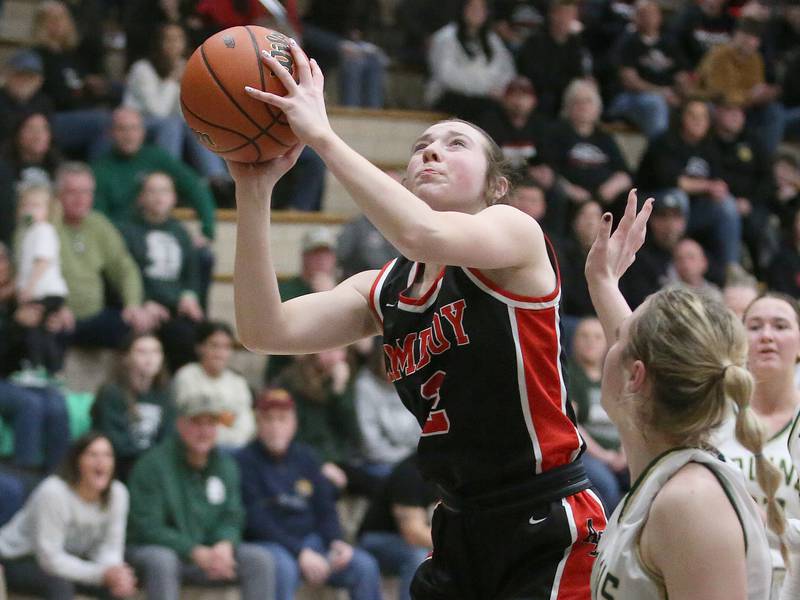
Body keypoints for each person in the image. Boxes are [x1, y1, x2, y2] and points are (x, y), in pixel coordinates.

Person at [234, 40, 605, 599]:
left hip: (546, 515)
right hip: (459, 522)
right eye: (420, 146)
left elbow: (420, 232)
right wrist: (253, 191)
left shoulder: (514, 233)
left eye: (455, 144)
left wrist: (324, 137)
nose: (431, 152)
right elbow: (264, 330)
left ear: (496, 186)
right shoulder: (385, 288)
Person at [585, 191, 773, 599]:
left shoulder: (691, 503)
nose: (609, 340)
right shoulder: (665, 475)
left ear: (636, 378)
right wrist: (602, 281)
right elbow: (644, 350)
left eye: (618, 338)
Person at [125, 393, 276, 600]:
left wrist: (224, 544)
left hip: (210, 554)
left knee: (260, 559)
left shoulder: (226, 465)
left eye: (211, 423)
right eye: (197, 423)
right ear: (180, 424)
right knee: (162, 560)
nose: (204, 431)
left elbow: (233, 515)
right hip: (160, 552)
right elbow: (147, 526)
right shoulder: (152, 465)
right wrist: (193, 551)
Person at [236, 388, 382, 600]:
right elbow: (256, 520)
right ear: (258, 423)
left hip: (313, 542)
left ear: (294, 423)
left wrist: (335, 541)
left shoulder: (307, 457)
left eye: (282, 419)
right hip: (273, 545)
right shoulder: (244, 461)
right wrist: (300, 552)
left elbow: (326, 507)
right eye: (268, 419)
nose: (275, 427)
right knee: (282, 569)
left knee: (364, 565)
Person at [714, 293, 800, 598]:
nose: (766, 336)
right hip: (725, 579)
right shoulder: (712, 414)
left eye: (780, 326)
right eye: (755, 326)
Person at [0, 432, 137, 599]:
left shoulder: (118, 493)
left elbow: (111, 547)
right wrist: (100, 574)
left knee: (119, 587)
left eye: (107, 455)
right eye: (93, 455)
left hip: (71, 558)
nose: (101, 461)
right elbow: (49, 558)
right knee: (59, 583)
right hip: (21, 558)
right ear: (77, 461)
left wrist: (115, 574)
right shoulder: (53, 492)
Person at [50, 162, 154, 349]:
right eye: (72, 192)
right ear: (58, 195)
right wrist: (55, 307)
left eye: (86, 192)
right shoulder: (48, 226)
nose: (80, 198)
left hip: (94, 317)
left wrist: (133, 303)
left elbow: (124, 267)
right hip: (57, 314)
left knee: (133, 325)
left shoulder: (99, 224)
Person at [118, 171, 204, 371]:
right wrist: (143, 302)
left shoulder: (180, 232)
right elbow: (125, 274)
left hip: (175, 307)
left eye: (164, 191)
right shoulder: (127, 231)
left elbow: (191, 272)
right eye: (152, 191)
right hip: (145, 305)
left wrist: (190, 295)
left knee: (193, 334)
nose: (159, 197)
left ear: (173, 197)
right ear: (141, 197)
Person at [123, 23, 227, 179]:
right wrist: (173, 80)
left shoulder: (188, 66)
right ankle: (167, 178)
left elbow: (187, 111)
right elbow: (158, 111)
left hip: (173, 123)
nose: (174, 44)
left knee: (196, 124)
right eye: (168, 39)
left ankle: (217, 180)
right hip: (138, 123)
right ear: (159, 43)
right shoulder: (143, 69)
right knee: (172, 124)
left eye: (178, 39)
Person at [91, 333, 176, 481]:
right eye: (142, 352)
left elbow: (169, 439)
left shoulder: (166, 395)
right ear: (126, 357)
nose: (150, 358)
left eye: (156, 352)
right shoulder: (111, 393)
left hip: (155, 467)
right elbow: (114, 442)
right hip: (120, 467)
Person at [358, 451, 438, 600]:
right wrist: (456, 545)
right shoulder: (410, 473)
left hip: (415, 540)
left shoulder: (454, 473)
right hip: (378, 539)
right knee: (420, 557)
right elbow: (413, 533)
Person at [607, 0, 690, 138]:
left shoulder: (669, 44)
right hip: (628, 99)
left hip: (665, 96)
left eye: (653, 13)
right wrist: (662, 93)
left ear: (660, 17)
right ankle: (659, 153)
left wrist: (684, 95)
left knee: (698, 107)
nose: (649, 18)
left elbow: (681, 76)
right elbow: (630, 82)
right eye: (643, 14)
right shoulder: (627, 42)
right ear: (635, 17)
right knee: (655, 103)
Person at [567, 317, 626, 512]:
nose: (590, 341)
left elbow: (629, 420)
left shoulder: (616, 377)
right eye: (584, 336)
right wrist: (606, 457)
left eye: (597, 337)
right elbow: (574, 426)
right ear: (574, 341)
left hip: (621, 453)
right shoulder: (570, 376)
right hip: (588, 454)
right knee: (608, 485)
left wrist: (625, 453)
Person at [425, 0, 516, 123]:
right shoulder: (445, 37)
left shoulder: (492, 40)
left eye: (481, 8)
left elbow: (507, 71)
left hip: (486, 99)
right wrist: (485, 89)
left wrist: (499, 89)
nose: (476, 12)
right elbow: (447, 76)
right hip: (451, 98)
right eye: (472, 7)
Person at [13, 182, 68, 374]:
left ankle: (41, 368)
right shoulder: (28, 233)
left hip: (45, 292)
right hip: (40, 291)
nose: (30, 210)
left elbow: (42, 262)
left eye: (36, 206)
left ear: (48, 209)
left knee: (37, 333)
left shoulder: (43, 230)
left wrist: (29, 287)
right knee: (40, 332)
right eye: (26, 205)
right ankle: (47, 369)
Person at [173, 321, 255, 449]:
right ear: (200, 347)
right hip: (194, 447)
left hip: (235, 448)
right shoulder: (187, 376)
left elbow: (246, 425)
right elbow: (190, 422)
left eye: (226, 347)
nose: (220, 353)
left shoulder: (238, 382)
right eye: (214, 346)